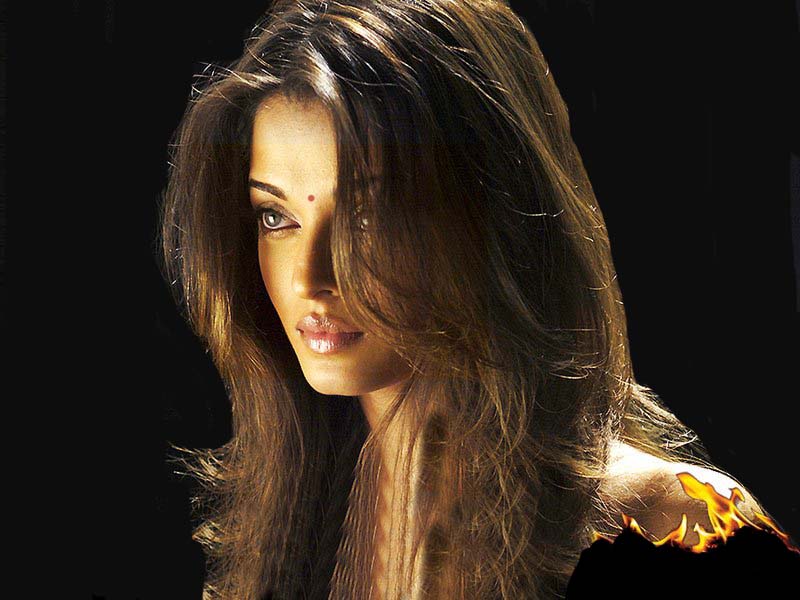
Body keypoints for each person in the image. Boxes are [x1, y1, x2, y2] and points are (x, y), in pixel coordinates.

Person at [157, 1, 771, 598]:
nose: (307, 279)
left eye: (370, 216)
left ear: (493, 215)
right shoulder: (274, 538)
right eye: (276, 217)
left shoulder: (678, 525)